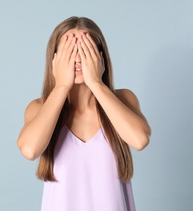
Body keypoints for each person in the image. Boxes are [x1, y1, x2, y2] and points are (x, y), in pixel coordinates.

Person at [17, 16, 151, 211]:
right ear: (54, 58)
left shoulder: (124, 99)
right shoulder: (39, 108)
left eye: (85, 49)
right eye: (69, 50)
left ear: (100, 56)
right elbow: (29, 150)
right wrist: (62, 86)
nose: (78, 58)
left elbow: (140, 140)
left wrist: (96, 83)